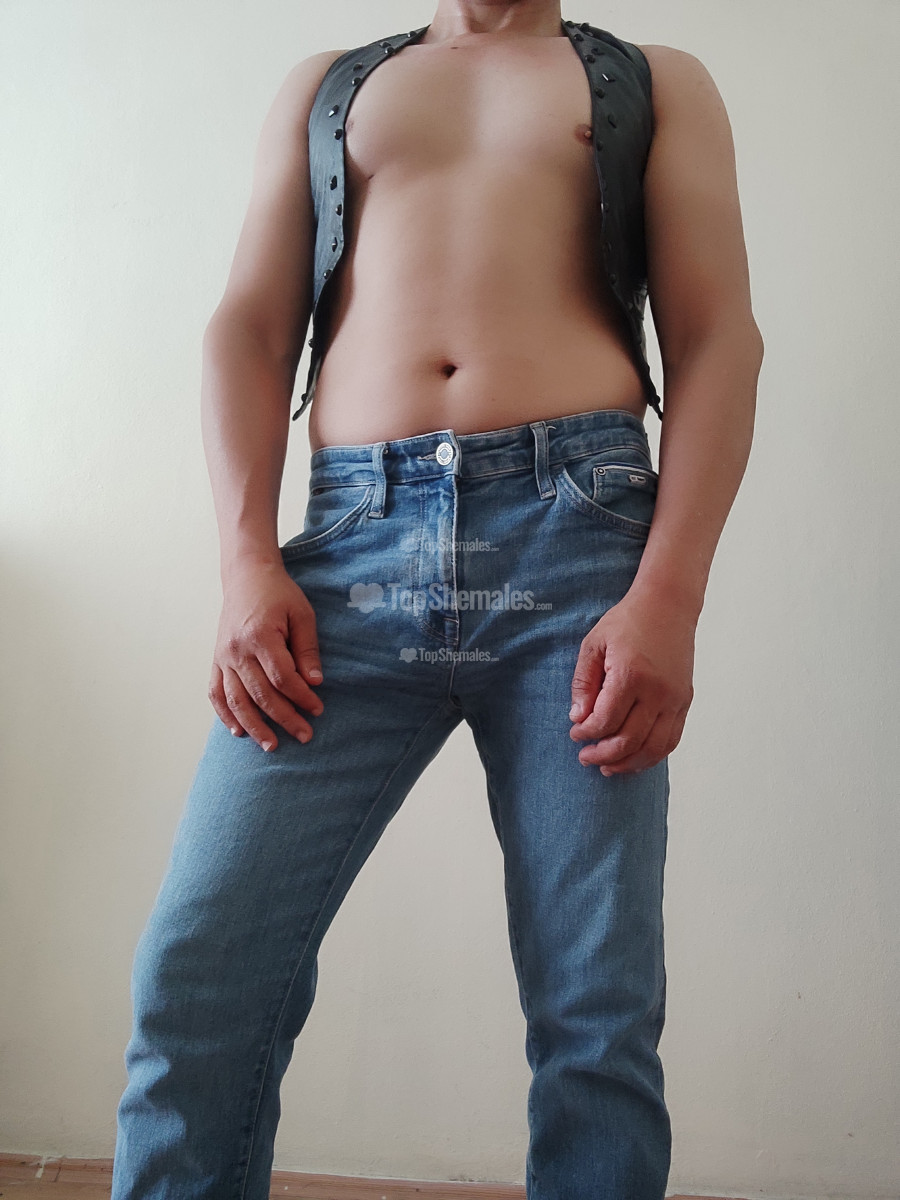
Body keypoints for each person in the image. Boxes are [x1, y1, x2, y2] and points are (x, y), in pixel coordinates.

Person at [112, 1, 763, 1197]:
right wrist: (246, 560)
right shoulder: (329, 84)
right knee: (200, 970)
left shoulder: (656, 81)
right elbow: (250, 328)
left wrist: (669, 596)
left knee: (596, 1006)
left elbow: (719, 337)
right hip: (348, 556)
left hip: (580, 553)